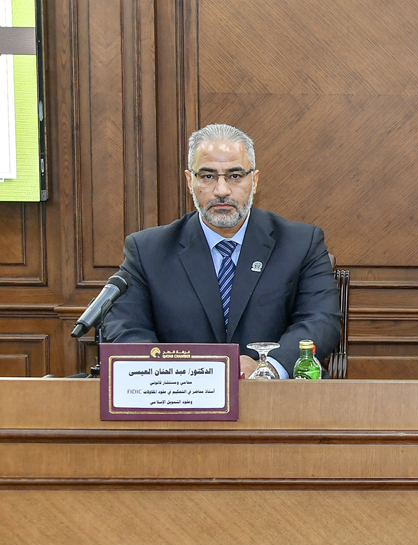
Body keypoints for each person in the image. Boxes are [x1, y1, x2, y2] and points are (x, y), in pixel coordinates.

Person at [104, 124, 341, 378]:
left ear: (255, 180)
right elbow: (126, 329)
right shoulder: (148, 250)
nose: (222, 190)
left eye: (235, 176)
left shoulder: (301, 243)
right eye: (207, 176)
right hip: (181, 402)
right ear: (189, 181)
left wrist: (268, 367)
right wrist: (177, 375)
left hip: (277, 402)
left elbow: (321, 322)